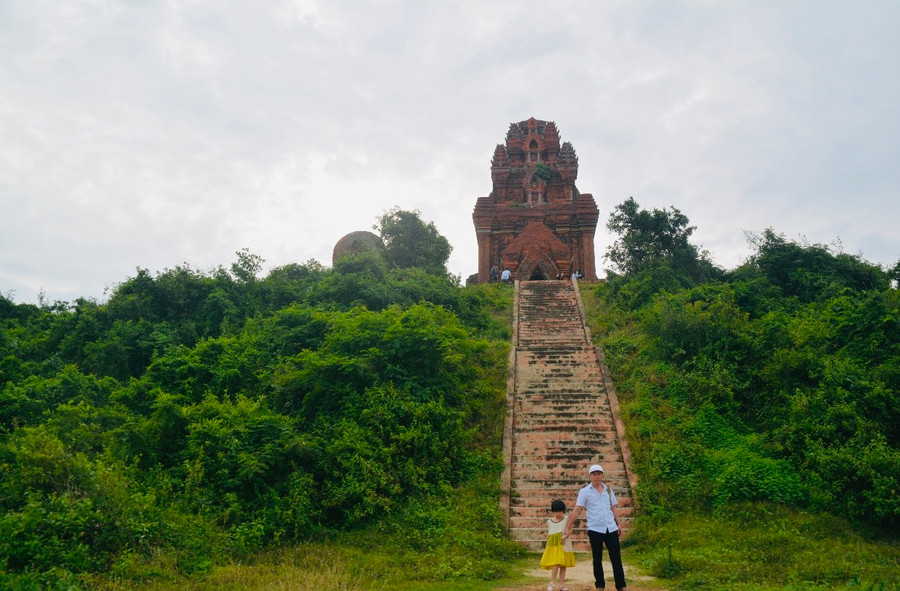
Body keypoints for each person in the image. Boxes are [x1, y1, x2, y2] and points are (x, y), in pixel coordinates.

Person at [563, 464, 626, 590]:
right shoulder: (585, 492)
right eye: (594, 474)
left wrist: (618, 524)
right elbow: (577, 510)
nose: (597, 477)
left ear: (602, 475)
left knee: (616, 558)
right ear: (590, 476)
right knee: (597, 558)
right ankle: (600, 585)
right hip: (595, 529)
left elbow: (613, 508)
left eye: (599, 474)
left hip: (611, 527)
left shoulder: (608, 490)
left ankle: (621, 585)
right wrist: (568, 526)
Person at [540, 499, 575, 591]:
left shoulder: (567, 519)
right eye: (556, 511)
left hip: (564, 546)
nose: (558, 513)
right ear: (553, 511)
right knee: (555, 564)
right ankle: (552, 582)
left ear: (563, 511)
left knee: (563, 565)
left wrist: (566, 536)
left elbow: (571, 529)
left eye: (560, 511)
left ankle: (562, 584)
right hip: (554, 546)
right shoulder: (549, 522)